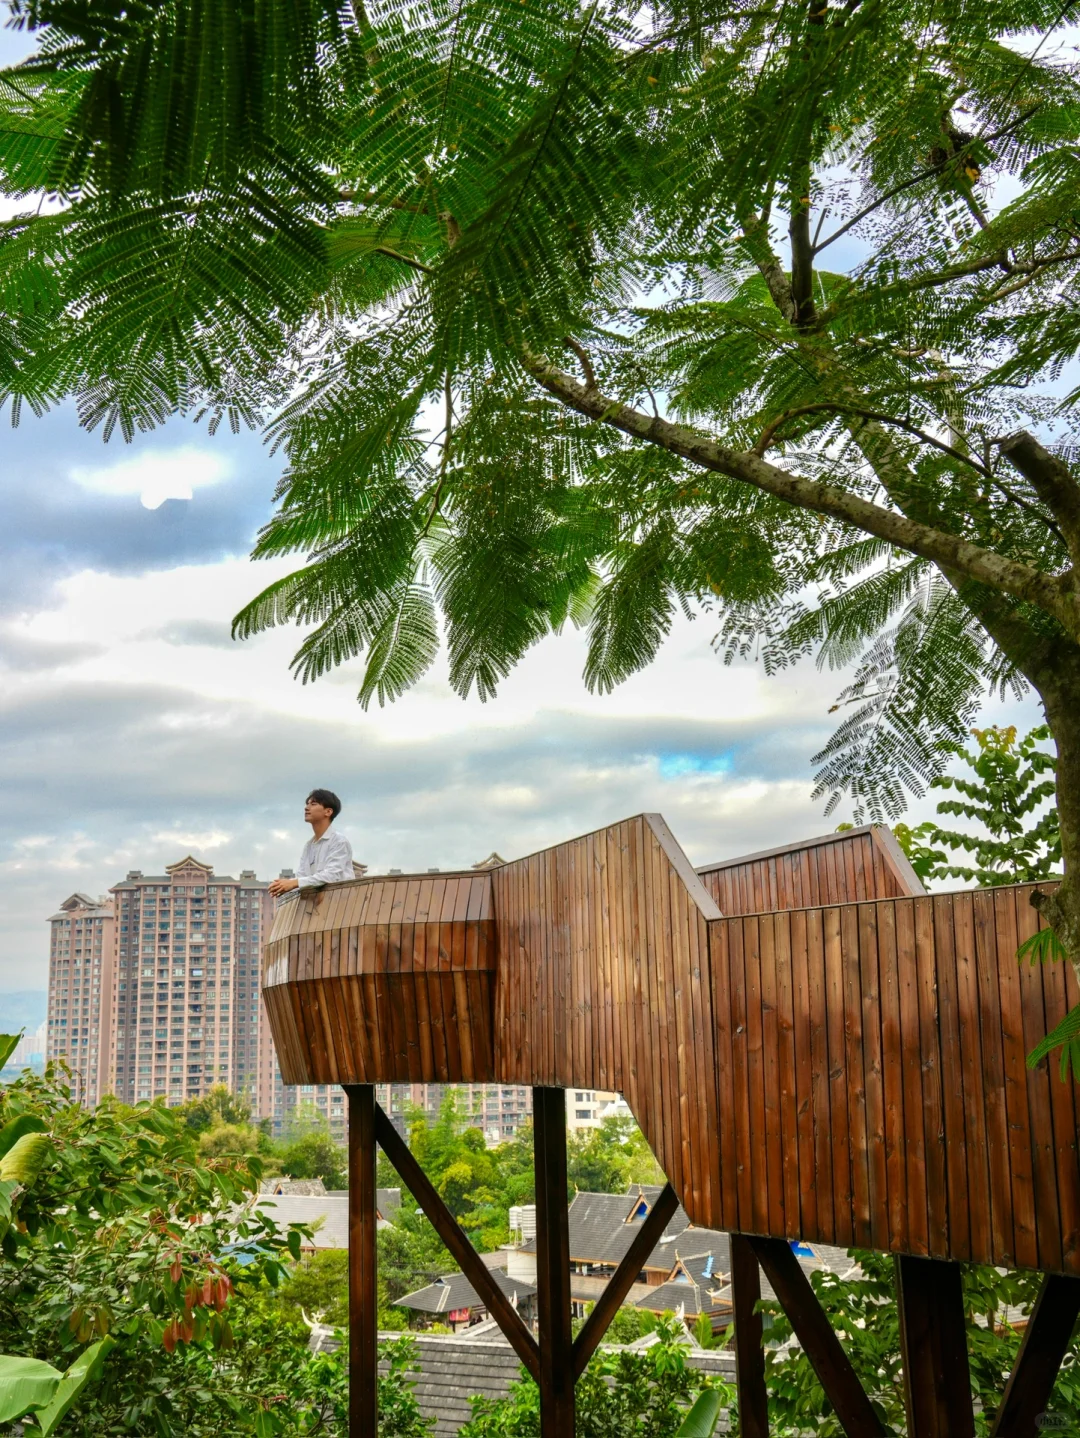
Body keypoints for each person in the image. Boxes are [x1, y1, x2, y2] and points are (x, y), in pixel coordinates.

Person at [268, 789, 354, 897]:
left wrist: (294, 883)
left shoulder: (339, 841)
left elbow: (331, 876)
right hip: (318, 907)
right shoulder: (309, 845)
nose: (306, 807)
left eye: (313, 804)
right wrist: (282, 886)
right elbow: (302, 876)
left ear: (328, 812)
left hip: (340, 905)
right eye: (307, 804)